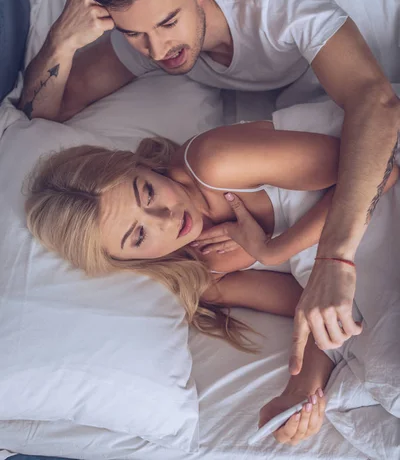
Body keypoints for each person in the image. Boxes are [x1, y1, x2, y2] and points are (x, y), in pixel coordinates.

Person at [19, 0, 400, 372]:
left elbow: (378, 107)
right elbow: (42, 114)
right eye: (136, 35)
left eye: (167, 24)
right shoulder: (153, 28)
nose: (157, 51)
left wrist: (318, 255)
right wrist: (60, 43)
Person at [25, 120, 399, 446]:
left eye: (148, 193)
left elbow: (381, 167)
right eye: (138, 236)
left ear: (145, 167)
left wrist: (273, 250)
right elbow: (316, 315)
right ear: (129, 260)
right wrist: (301, 393)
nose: (166, 218)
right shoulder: (205, 278)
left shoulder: (211, 162)